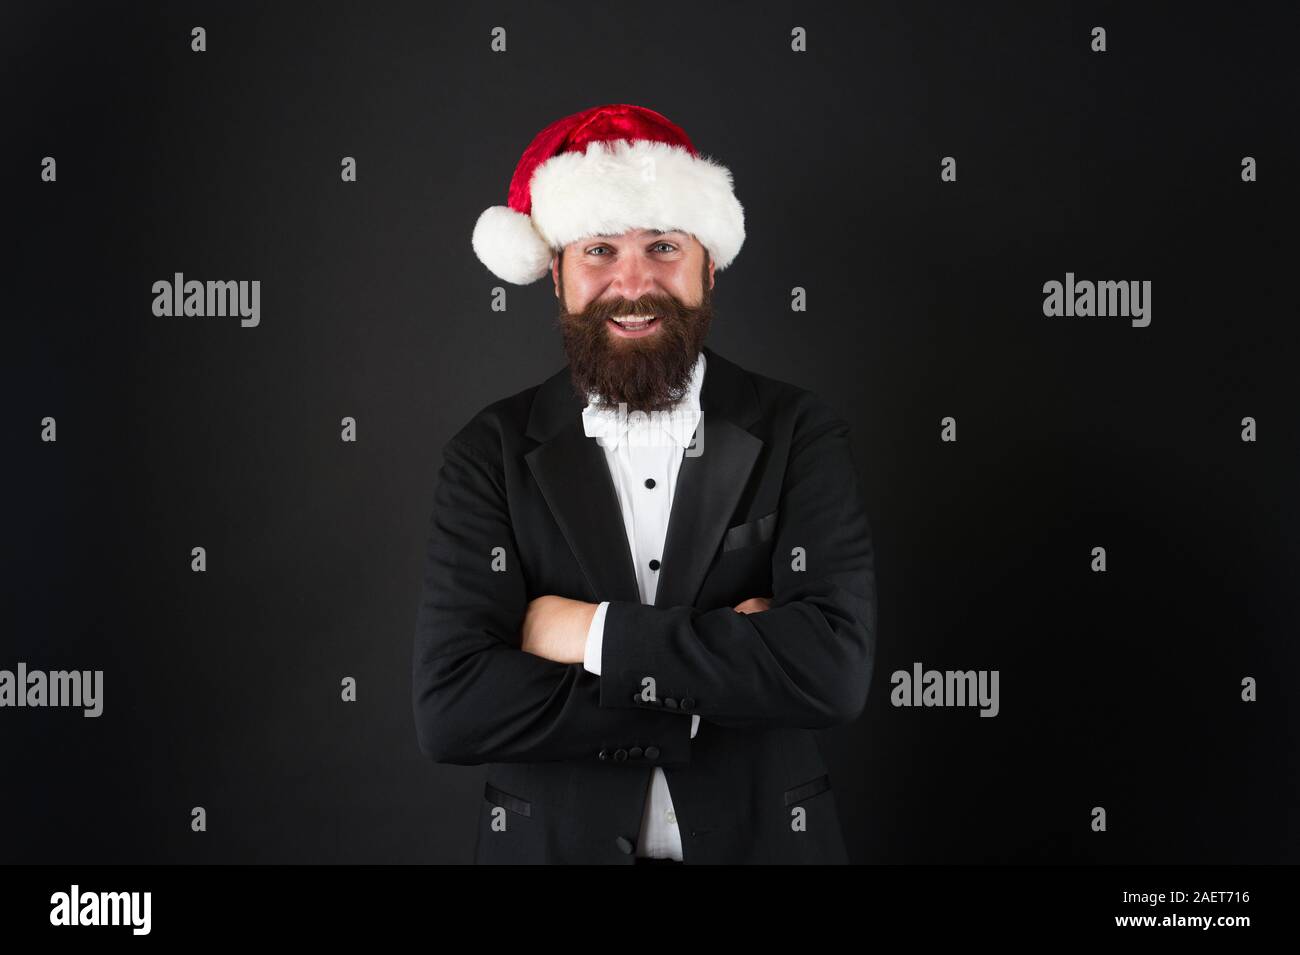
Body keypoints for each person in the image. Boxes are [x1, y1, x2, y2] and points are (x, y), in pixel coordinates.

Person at [413, 103, 876, 864]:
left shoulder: (800, 431)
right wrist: (718, 678)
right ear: (555, 271)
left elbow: (831, 672)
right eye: (599, 249)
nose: (634, 282)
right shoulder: (485, 452)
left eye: (663, 245)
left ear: (708, 264)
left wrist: (584, 632)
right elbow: (453, 709)